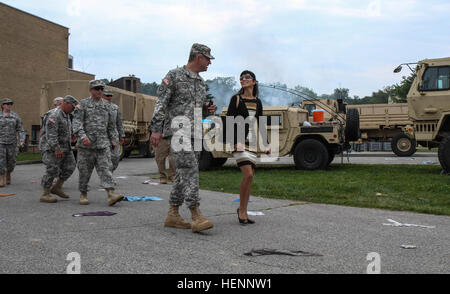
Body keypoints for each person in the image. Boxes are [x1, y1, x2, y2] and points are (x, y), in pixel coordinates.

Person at [150, 43, 216, 233]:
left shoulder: (201, 83)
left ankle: (173, 214)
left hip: (195, 133)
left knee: (181, 173)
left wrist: (206, 110)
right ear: (198, 57)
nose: (209, 63)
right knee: (189, 168)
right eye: (208, 59)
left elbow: (194, 108)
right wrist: (156, 129)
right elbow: (161, 104)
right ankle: (196, 214)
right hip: (178, 131)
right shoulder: (174, 76)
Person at [226, 70, 270, 224]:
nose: (243, 79)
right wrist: (234, 142)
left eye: (247, 77)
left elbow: (262, 123)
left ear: (254, 82)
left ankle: (243, 210)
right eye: (241, 78)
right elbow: (229, 121)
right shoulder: (236, 99)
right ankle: (242, 211)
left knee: (250, 178)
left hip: (252, 143)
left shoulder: (257, 102)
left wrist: (266, 144)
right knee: (248, 174)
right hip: (239, 143)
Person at [72, 80, 124, 206]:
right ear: (91, 90)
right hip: (86, 146)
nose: (100, 91)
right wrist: (83, 136)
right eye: (97, 89)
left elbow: (111, 126)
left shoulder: (108, 106)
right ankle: (83, 194)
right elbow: (76, 123)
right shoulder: (82, 104)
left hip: (103, 145)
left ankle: (111, 194)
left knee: (106, 169)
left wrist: (114, 139)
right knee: (84, 171)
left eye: (101, 88)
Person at [39, 96, 79, 203]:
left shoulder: (66, 115)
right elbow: (51, 134)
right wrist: (56, 149)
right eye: (72, 106)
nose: (73, 109)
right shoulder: (54, 114)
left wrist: (72, 136)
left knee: (70, 166)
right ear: (66, 103)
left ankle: (57, 187)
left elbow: (65, 130)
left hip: (66, 147)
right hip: (53, 148)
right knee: (52, 169)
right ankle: (45, 194)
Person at [0, 98, 26, 187]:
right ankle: (1, 178)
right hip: (1, 142)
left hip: (12, 142)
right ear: (3, 105)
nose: (9, 105)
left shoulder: (15, 116)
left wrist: (22, 140)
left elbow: (21, 129)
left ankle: (8, 173)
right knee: (1, 161)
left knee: (11, 162)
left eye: (10, 104)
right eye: (7, 104)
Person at [102, 88, 125, 174]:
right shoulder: (98, 107)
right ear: (102, 96)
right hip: (103, 136)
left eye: (110, 96)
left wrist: (121, 135)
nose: (109, 97)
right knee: (105, 158)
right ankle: (106, 177)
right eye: (107, 96)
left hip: (114, 136)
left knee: (115, 158)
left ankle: (110, 173)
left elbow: (119, 122)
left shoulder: (115, 107)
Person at [153, 117, 176, 184]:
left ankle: (172, 175)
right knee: (159, 157)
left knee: (173, 156)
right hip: (162, 134)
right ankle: (162, 176)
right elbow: (155, 119)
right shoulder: (161, 108)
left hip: (174, 134)